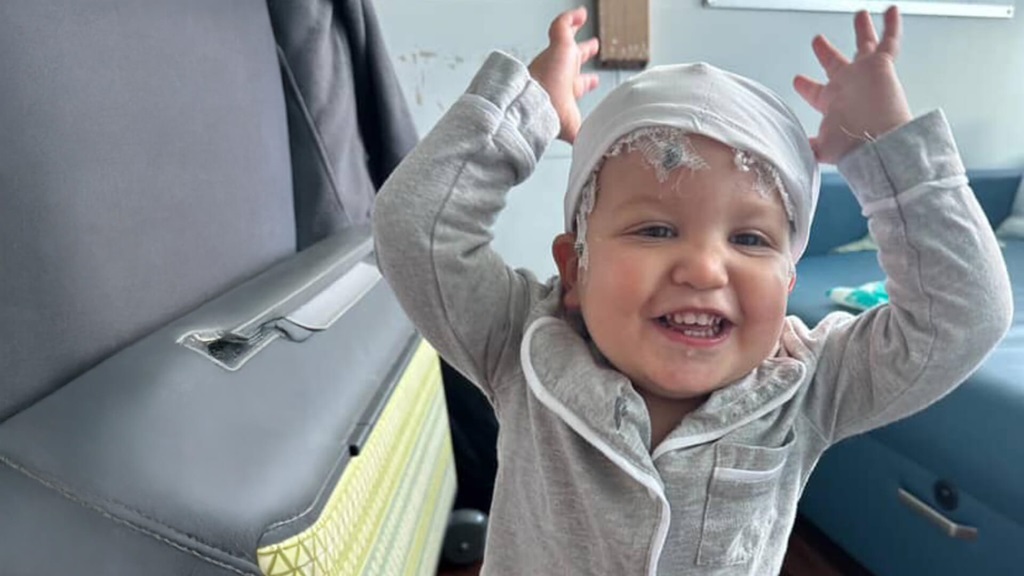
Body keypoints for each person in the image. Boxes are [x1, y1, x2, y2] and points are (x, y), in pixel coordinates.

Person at [373, 5, 1012, 574]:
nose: (705, 269)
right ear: (575, 271)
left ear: (788, 283)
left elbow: (964, 314)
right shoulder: (520, 348)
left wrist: (887, 151)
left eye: (752, 241)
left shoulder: (810, 387)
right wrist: (530, 107)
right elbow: (414, 230)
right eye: (655, 229)